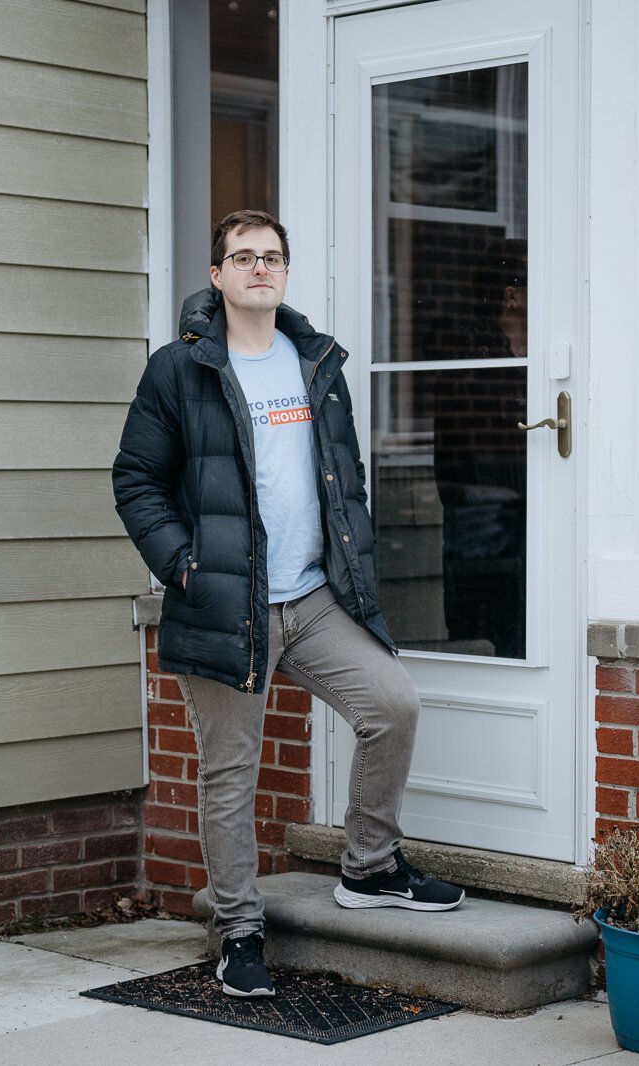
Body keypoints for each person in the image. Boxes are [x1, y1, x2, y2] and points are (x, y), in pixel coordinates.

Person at [112, 209, 464, 1000]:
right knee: (230, 771)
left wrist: (354, 563)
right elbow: (134, 480)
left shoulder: (315, 363)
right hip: (223, 600)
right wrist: (183, 564)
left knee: (391, 706)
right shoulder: (181, 369)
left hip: (311, 597)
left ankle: (369, 867)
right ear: (217, 276)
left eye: (271, 257)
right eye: (242, 257)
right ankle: (238, 928)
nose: (258, 268)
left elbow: (346, 475)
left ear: (285, 272)